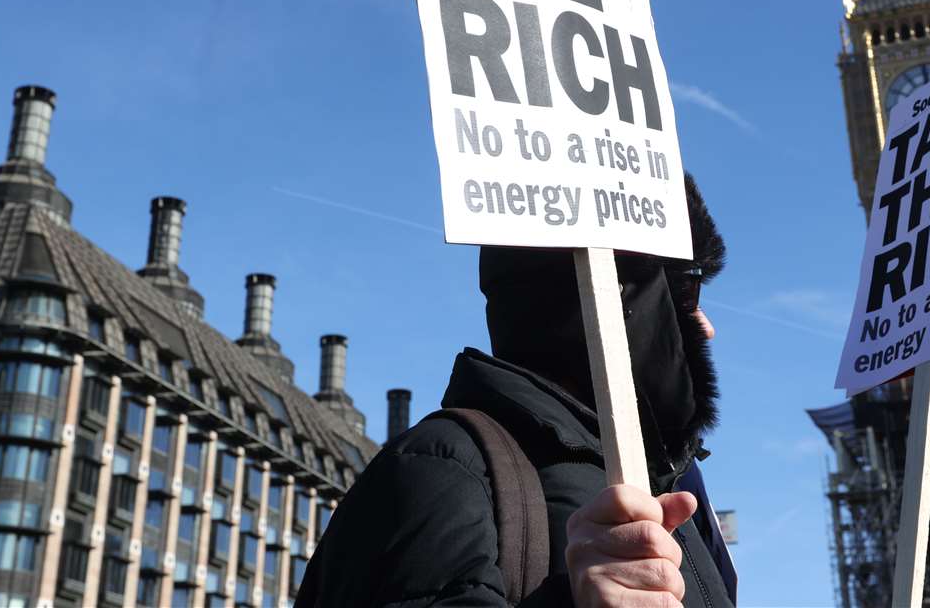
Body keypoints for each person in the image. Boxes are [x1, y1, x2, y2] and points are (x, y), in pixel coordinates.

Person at [296, 175, 738, 607]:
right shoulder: (443, 467)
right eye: (687, 287)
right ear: (624, 298)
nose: (706, 326)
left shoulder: (669, 495)